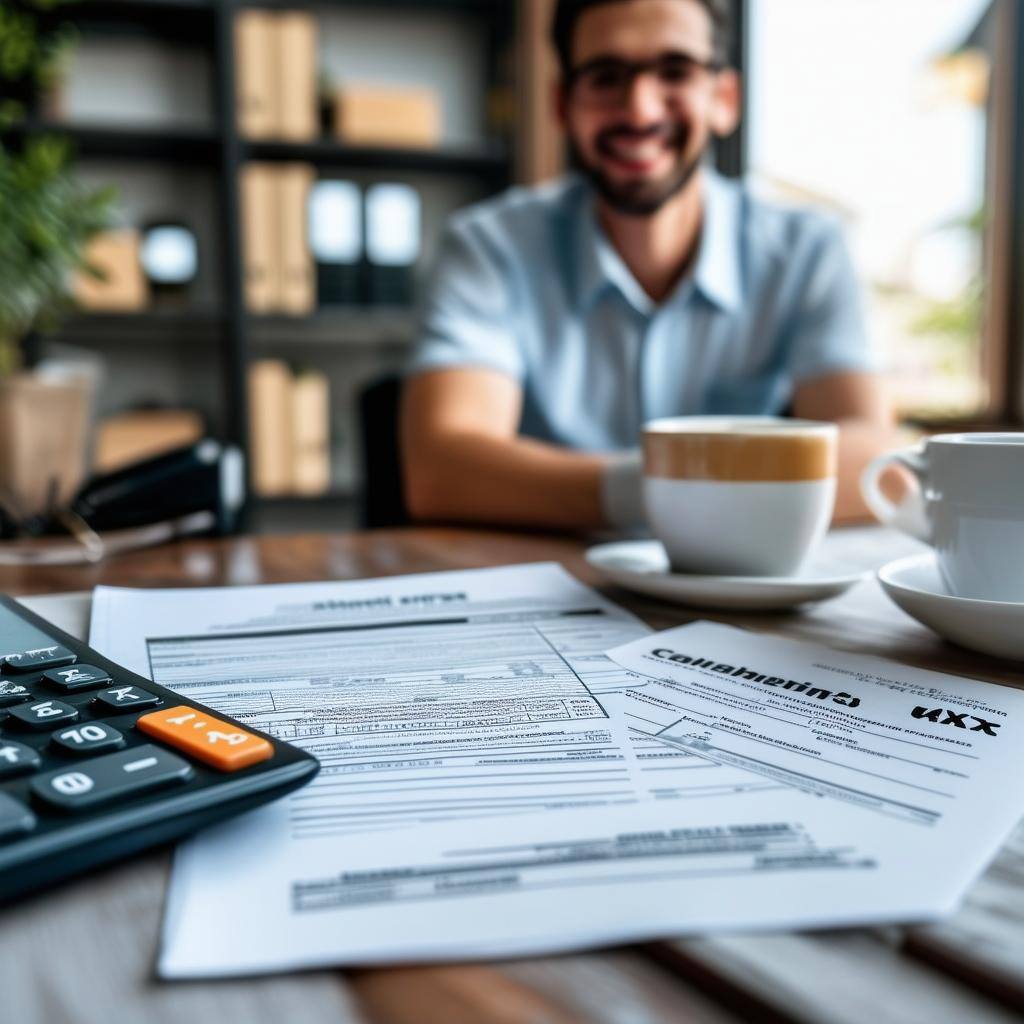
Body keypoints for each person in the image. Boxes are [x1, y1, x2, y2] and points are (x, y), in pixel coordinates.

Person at [401, 0, 898, 531]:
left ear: (724, 99)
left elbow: (877, 467)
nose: (639, 110)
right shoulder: (488, 246)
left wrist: (648, 492)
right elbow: (442, 470)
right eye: (605, 77)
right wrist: (684, 492)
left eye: (675, 72)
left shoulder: (807, 248)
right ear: (561, 105)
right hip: (551, 585)